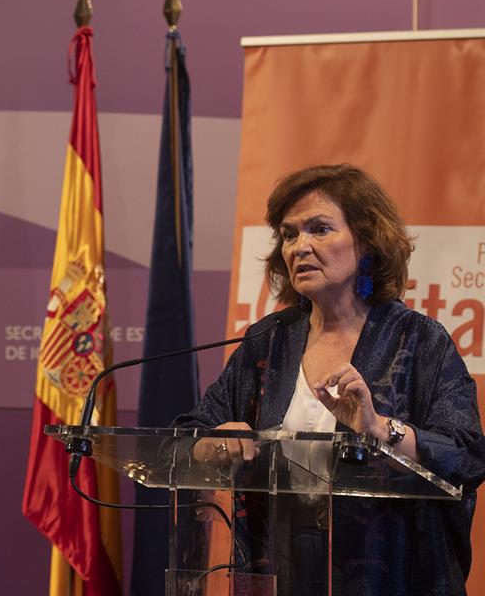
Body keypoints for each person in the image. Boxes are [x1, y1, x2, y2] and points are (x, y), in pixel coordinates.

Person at [175, 164, 485, 595]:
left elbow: (467, 456)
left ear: (366, 242)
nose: (300, 246)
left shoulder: (418, 341)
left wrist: (381, 431)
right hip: (280, 570)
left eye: (319, 229)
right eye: (289, 234)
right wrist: (213, 442)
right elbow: (188, 434)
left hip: (388, 576)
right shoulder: (268, 342)